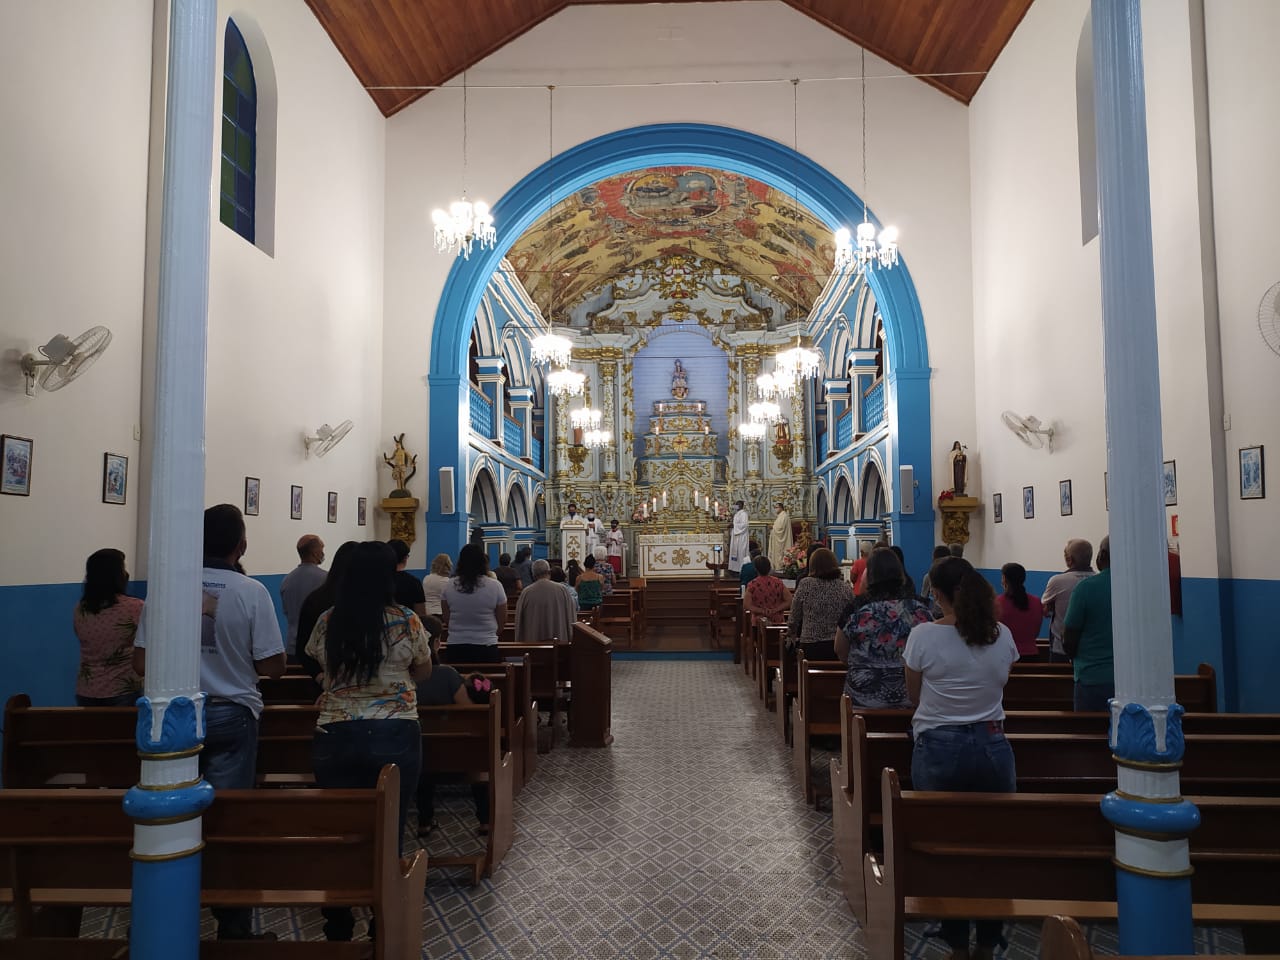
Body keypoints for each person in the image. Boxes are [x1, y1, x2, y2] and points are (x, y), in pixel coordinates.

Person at [134, 504, 286, 942]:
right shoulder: (251, 591)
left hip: (169, 719)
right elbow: (273, 667)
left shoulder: (165, 588)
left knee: (165, 813)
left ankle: (154, 916)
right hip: (232, 713)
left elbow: (141, 660)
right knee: (229, 818)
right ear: (241, 546)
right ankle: (233, 926)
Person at [305, 541, 431, 943]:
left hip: (335, 730)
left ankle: (338, 923)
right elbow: (424, 671)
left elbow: (318, 664)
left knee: (340, 831)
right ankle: (382, 921)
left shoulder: (328, 619)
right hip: (394, 730)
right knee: (389, 828)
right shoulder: (406, 620)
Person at [903, 556, 1019, 960]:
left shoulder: (923, 636)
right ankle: (988, 943)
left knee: (942, 846)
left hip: (939, 745)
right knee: (995, 846)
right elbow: (1003, 681)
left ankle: (955, 943)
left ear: (935, 594)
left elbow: (914, 696)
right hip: (993, 745)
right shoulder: (1000, 634)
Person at [836, 548, 932, 709]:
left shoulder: (856, 608)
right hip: (912, 698)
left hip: (864, 698)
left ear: (870, 575)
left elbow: (840, 650)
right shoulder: (920, 608)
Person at [74, 548, 143, 706]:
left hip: (86, 691)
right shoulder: (134, 607)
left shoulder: (80, 609)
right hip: (123, 691)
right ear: (117, 575)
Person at [1063, 536, 1114, 711]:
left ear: (1102, 555)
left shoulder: (1086, 588)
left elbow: (1069, 637)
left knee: (1089, 732)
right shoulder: (1138, 586)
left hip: (1092, 676)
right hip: (1133, 679)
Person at [441, 543, 508, 664]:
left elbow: (446, 618)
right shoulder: (495, 586)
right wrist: (489, 633)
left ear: (461, 562)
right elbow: (502, 620)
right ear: (482, 562)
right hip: (486, 645)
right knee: (485, 682)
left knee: (458, 681)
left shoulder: (448, 585)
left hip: (456, 645)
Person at [788, 547, 854, 661]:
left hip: (811, 646)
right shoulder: (845, 587)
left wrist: (791, 632)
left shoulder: (806, 584)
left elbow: (794, 616)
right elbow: (853, 617)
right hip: (838, 647)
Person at [1042, 538, 1094, 662]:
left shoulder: (1057, 581)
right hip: (1092, 647)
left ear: (1070, 559)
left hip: (1061, 648)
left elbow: (1045, 610)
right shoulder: (1099, 579)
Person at [280, 534, 326, 660]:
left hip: (292, 646)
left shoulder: (287, 580)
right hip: (316, 647)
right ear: (315, 553)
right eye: (321, 550)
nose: (323, 553)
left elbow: (286, 611)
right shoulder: (326, 579)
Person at [514, 558, 576, 643]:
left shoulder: (526, 593)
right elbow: (571, 616)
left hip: (533, 648)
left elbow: (519, 621)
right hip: (560, 646)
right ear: (549, 572)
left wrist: (519, 642)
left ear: (533, 574)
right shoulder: (563, 590)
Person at [996, 562, 1044, 658]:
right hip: (1031, 655)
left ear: (1004, 579)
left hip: (1005, 655)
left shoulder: (996, 603)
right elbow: (1036, 632)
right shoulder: (1036, 602)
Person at [743, 555, 791, 623]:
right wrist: (776, 609)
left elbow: (746, 605)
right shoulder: (778, 582)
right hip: (777, 620)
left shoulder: (752, 585)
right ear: (769, 567)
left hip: (759, 621)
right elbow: (789, 601)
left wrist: (762, 610)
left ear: (756, 569)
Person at [388, 538, 427, 619]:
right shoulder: (414, 582)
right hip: (408, 626)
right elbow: (421, 614)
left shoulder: (378, 580)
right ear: (405, 558)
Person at [919, 544, 951, 618]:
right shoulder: (957, 575)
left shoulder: (929, 577)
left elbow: (923, 598)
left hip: (935, 615)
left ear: (934, 559)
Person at [421, 552, 452, 617]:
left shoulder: (426, 578)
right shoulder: (446, 581)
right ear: (447, 565)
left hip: (426, 612)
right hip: (439, 613)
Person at [727, 500, 750, 573]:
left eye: (739, 504)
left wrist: (734, 526)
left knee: (741, 552)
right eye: (736, 504)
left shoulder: (744, 514)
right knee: (735, 552)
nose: (737, 506)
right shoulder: (737, 514)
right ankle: (734, 568)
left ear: (742, 505)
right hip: (736, 535)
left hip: (741, 536)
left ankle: (741, 569)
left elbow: (744, 525)